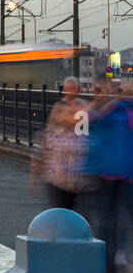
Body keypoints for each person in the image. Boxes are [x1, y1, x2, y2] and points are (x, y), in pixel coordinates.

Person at [84, 81, 133, 273]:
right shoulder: (109, 110)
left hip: (128, 176)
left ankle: (117, 264)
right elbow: (87, 123)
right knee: (107, 225)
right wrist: (107, 103)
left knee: (121, 224)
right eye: (123, 91)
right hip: (105, 174)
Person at [32, 77, 95, 214]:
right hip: (60, 176)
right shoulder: (61, 108)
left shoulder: (83, 107)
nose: (72, 92)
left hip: (78, 176)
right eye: (69, 89)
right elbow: (46, 140)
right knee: (63, 212)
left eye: (74, 88)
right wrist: (35, 174)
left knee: (77, 214)